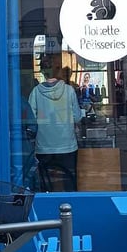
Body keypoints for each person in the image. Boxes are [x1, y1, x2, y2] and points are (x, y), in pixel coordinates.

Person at [28, 55, 83, 192]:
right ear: (57, 70)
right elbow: (77, 117)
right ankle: (69, 203)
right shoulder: (69, 90)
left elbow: (31, 120)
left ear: (42, 71)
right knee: (69, 182)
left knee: (46, 183)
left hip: (43, 146)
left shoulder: (36, 92)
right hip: (67, 145)